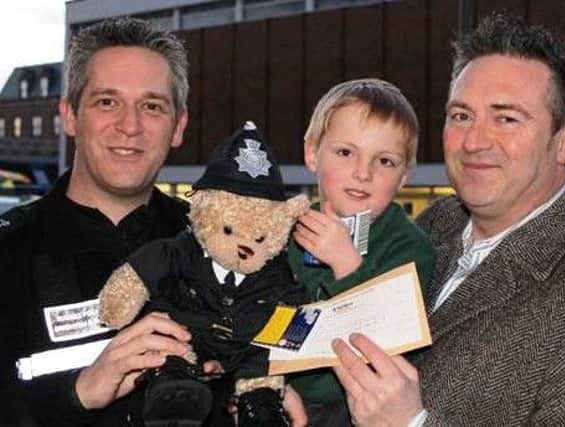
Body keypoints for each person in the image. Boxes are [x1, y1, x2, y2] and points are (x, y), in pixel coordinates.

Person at [330, 13, 565, 426]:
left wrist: (411, 424)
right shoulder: (428, 227)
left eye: (506, 118)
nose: (473, 141)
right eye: (461, 116)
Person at [0, 17, 232, 427]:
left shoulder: (225, 250)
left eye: (152, 106)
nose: (130, 126)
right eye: (107, 101)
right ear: (70, 116)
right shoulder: (7, 254)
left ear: (178, 127)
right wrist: (78, 392)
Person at [286, 78, 436, 426]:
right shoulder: (285, 230)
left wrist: (346, 264)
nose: (363, 172)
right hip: (280, 392)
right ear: (312, 153)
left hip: (353, 407)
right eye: (345, 152)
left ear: (403, 178)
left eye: (385, 161)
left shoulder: (409, 247)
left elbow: (384, 338)